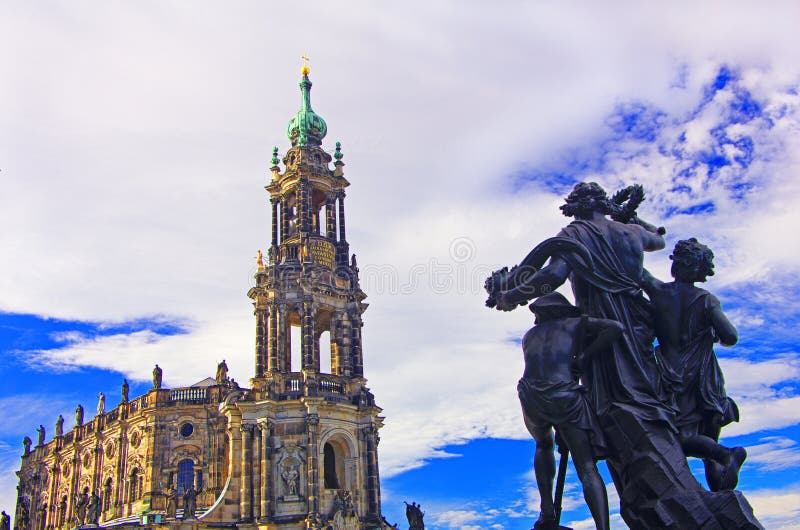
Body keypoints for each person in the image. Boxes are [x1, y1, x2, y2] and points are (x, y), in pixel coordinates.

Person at [495, 182, 673, 428]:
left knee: (613, 399)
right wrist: (633, 217)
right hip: (638, 322)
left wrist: (511, 296)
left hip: (601, 320)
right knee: (644, 385)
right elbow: (659, 239)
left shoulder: (572, 235)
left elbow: (552, 277)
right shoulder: (632, 232)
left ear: (575, 208)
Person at [642, 238, 745, 490]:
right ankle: (722, 475)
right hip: (703, 377)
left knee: (681, 439)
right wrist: (712, 332)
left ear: (681, 264)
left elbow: (635, 270)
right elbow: (730, 336)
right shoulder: (706, 300)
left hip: (671, 376)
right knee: (706, 436)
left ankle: (723, 457)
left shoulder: (658, 291)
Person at [518, 293, 621, 530]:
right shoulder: (574, 324)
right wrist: (585, 355)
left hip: (530, 394)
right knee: (586, 466)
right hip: (563, 394)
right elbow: (615, 328)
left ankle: (547, 511)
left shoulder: (529, 336)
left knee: (543, 444)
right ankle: (603, 528)